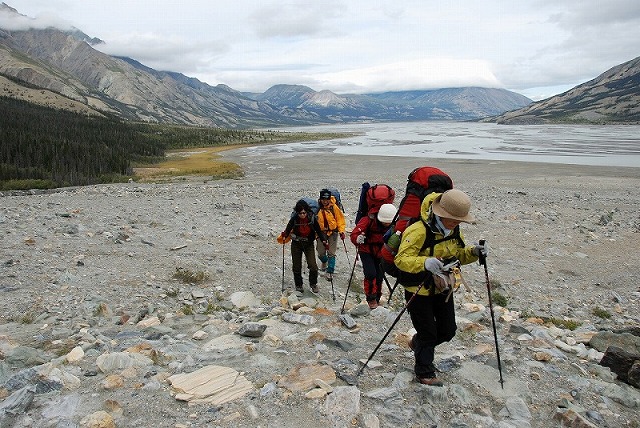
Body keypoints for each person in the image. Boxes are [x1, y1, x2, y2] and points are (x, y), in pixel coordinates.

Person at [394, 189, 488, 386]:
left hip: (442, 287)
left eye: (459, 220)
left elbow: (459, 255)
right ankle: (424, 371)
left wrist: (474, 252)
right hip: (418, 289)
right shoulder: (418, 231)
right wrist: (425, 262)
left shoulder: (453, 230)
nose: (456, 223)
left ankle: (417, 344)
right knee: (428, 332)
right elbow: (401, 260)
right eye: (452, 219)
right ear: (439, 213)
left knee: (448, 330)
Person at [350, 203, 397, 309]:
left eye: (388, 222)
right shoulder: (368, 220)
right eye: (385, 222)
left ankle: (377, 298)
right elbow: (354, 234)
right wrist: (357, 239)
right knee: (370, 274)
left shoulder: (395, 223)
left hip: (382, 252)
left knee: (380, 275)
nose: (386, 224)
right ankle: (371, 299)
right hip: (366, 250)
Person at [279, 199, 327, 294]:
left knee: (313, 265)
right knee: (296, 266)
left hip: (308, 243)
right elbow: (288, 228)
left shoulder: (311, 218)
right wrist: (284, 235)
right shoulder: (295, 218)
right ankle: (299, 285)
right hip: (296, 243)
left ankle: (313, 284)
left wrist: (324, 240)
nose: (302, 215)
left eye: (304, 213)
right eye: (300, 213)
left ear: (307, 211)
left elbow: (318, 230)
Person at [316, 188, 346, 280]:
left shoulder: (334, 207)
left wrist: (341, 231)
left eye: (327, 199)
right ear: (320, 199)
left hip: (333, 232)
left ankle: (330, 271)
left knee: (331, 253)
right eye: (323, 199)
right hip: (321, 233)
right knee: (320, 253)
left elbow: (340, 220)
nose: (325, 202)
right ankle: (324, 262)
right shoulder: (316, 208)